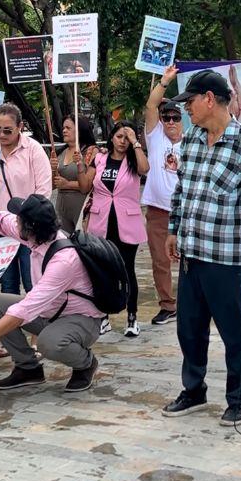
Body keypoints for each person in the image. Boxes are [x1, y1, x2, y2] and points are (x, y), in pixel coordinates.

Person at [161, 70, 241, 426]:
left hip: (225, 256)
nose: (186, 110)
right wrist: (173, 230)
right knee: (189, 329)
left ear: (209, 99)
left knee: (233, 331)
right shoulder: (191, 141)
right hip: (191, 254)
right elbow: (182, 191)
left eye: (189, 102)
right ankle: (194, 390)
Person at [0, 194, 103, 393]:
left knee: (48, 343)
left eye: (19, 219)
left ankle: (86, 363)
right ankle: (28, 368)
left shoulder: (63, 261)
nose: (15, 221)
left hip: (81, 320)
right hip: (50, 313)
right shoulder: (36, 234)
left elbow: (23, 311)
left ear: (29, 227)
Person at [81, 120, 148, 337]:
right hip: (101, 222)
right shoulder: (99, 158)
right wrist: (81, 165)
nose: (123, 142)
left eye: (126, 138)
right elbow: (84, 186)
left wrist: (136, 142)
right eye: (120, 136)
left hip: (126, 222)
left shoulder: (133, 161)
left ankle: (132, 317)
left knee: (127, 270)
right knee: (102, 271)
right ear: (111, 137)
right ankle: (103, 316)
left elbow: (144, 169)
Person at [0, 103, 53, 295]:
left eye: (7, 130)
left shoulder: (33, 149)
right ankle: (11, 325)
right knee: (7, 286)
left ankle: (37, 324)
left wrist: (28, 217)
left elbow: (44, 189)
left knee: (33, 284)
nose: (1, 135)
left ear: (20, 127)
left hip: (28, 229)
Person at [142, 65, 185, 326]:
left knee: (191, 262)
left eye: (175, 117)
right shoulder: (155, 136)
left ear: (183, 120)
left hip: (186, 212)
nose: (170, 122)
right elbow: (150, 106)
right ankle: (168, 306)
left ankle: (192, 305)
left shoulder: (194, 140)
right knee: (160, 261)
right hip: (158, 212)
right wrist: (165, 82)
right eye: (166, 117)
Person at [51, 115, 97, 234]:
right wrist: (52, 169)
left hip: (81, 205)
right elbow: (53, 185)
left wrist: (67, 184)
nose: (64, 131)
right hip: (61, 207)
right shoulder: (60, 152)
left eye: (68, 128)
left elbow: (90, 185)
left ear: (80, 130)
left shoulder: (90, 151)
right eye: (63, 128)